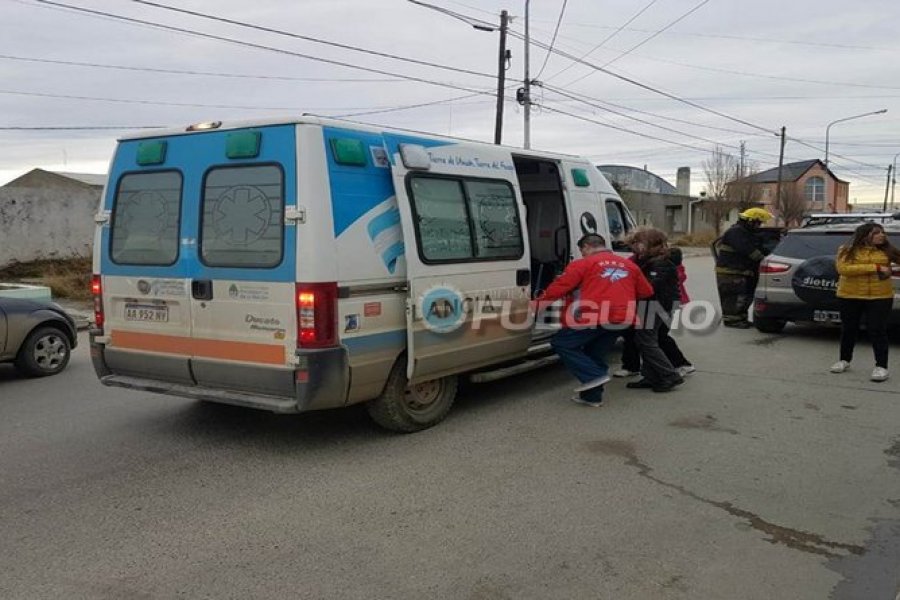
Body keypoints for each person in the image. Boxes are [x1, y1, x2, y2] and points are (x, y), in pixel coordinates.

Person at [535, 233, 653, 407]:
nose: (582, 254)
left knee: (562, 343)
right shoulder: (630, 265)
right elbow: (646, 291)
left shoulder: (583, 264)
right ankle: (592, 397)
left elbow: (559, 288)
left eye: (582, 250)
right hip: (622, 318)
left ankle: (593, 376)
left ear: (587, 247)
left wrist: (535, 306)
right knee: (594, 354)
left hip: (594, 315)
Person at [829, 222, 899, 382]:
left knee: (877, 330)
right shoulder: (846, 250)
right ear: (865, 235)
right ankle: (844, 360)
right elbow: (843, 269)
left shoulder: (887, 250)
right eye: (876, 233)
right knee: (849, 329)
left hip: (880, 296)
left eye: (882, 232)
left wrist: (891, 269)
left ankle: (881, 366)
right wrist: (875, 267)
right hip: (850, 295)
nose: (881, 235)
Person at [614, 244, 695, 377]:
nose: (634, 246)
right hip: (645, 303)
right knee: (632, 335)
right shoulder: (637, 259)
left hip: (661, 304)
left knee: (659, 337)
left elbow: (656, 283)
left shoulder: (664, 261)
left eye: (637, 242)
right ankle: (632, 366)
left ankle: (680, 365)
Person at [622, 228, 686, 393]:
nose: (634, 247)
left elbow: (649, 287)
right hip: (655, 304)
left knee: (646, 341)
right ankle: (651, 376)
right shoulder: (651, 260)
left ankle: (668, 374)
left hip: (657, 305)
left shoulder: (660, 263)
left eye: (637, 243)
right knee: (646, 340)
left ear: (647, 244)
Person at [714, 207, 773, 328]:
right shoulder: (736, 232)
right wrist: (765, 259)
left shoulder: (745, 232)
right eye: (758, 223)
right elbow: (748, 250)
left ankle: (740, 318)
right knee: (733, 298)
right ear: (751, 221)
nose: (759, 226)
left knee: (742, 297)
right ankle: (732, 321)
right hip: (731, 272)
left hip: (739, 271)